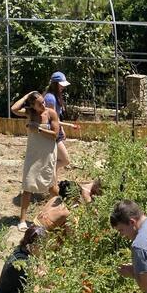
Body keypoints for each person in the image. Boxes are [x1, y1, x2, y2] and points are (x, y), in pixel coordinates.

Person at [11, 91, 60, 231]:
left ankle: (61, 211)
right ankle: (22, 220)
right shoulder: (30, 113)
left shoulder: (51, 113)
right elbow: (14, 109)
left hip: (47, 154)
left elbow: (55, 134)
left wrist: (38, 129)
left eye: (43, 101)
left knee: (51, 186)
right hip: (33, 155)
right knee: (28, 186)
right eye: (39, 103)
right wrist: (27, 96)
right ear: (32, 105)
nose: (43, 105)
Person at [0, 226, 46, 293]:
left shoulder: (22, 249)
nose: (44, 249)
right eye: (41, 246)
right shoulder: (22, 263)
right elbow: (35, 290)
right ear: (33, 246)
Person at [33, 179, 103, 233]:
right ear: (75, 197)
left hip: (34, 225)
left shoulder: (55, 199)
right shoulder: (67, 213)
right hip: (41, 235)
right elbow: (71, 236)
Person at [44, 71, 71, 175]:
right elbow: (52, 119)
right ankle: (47, 173)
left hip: (57, 130)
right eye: (61, 84)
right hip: (52, 132)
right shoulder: (50, 98)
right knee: (65, 160)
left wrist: (62, 129)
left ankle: (51, 178)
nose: (63, 87)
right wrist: (69, 126)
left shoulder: (56, 96)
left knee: (57, 160)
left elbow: (57, 116)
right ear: (55, 84)